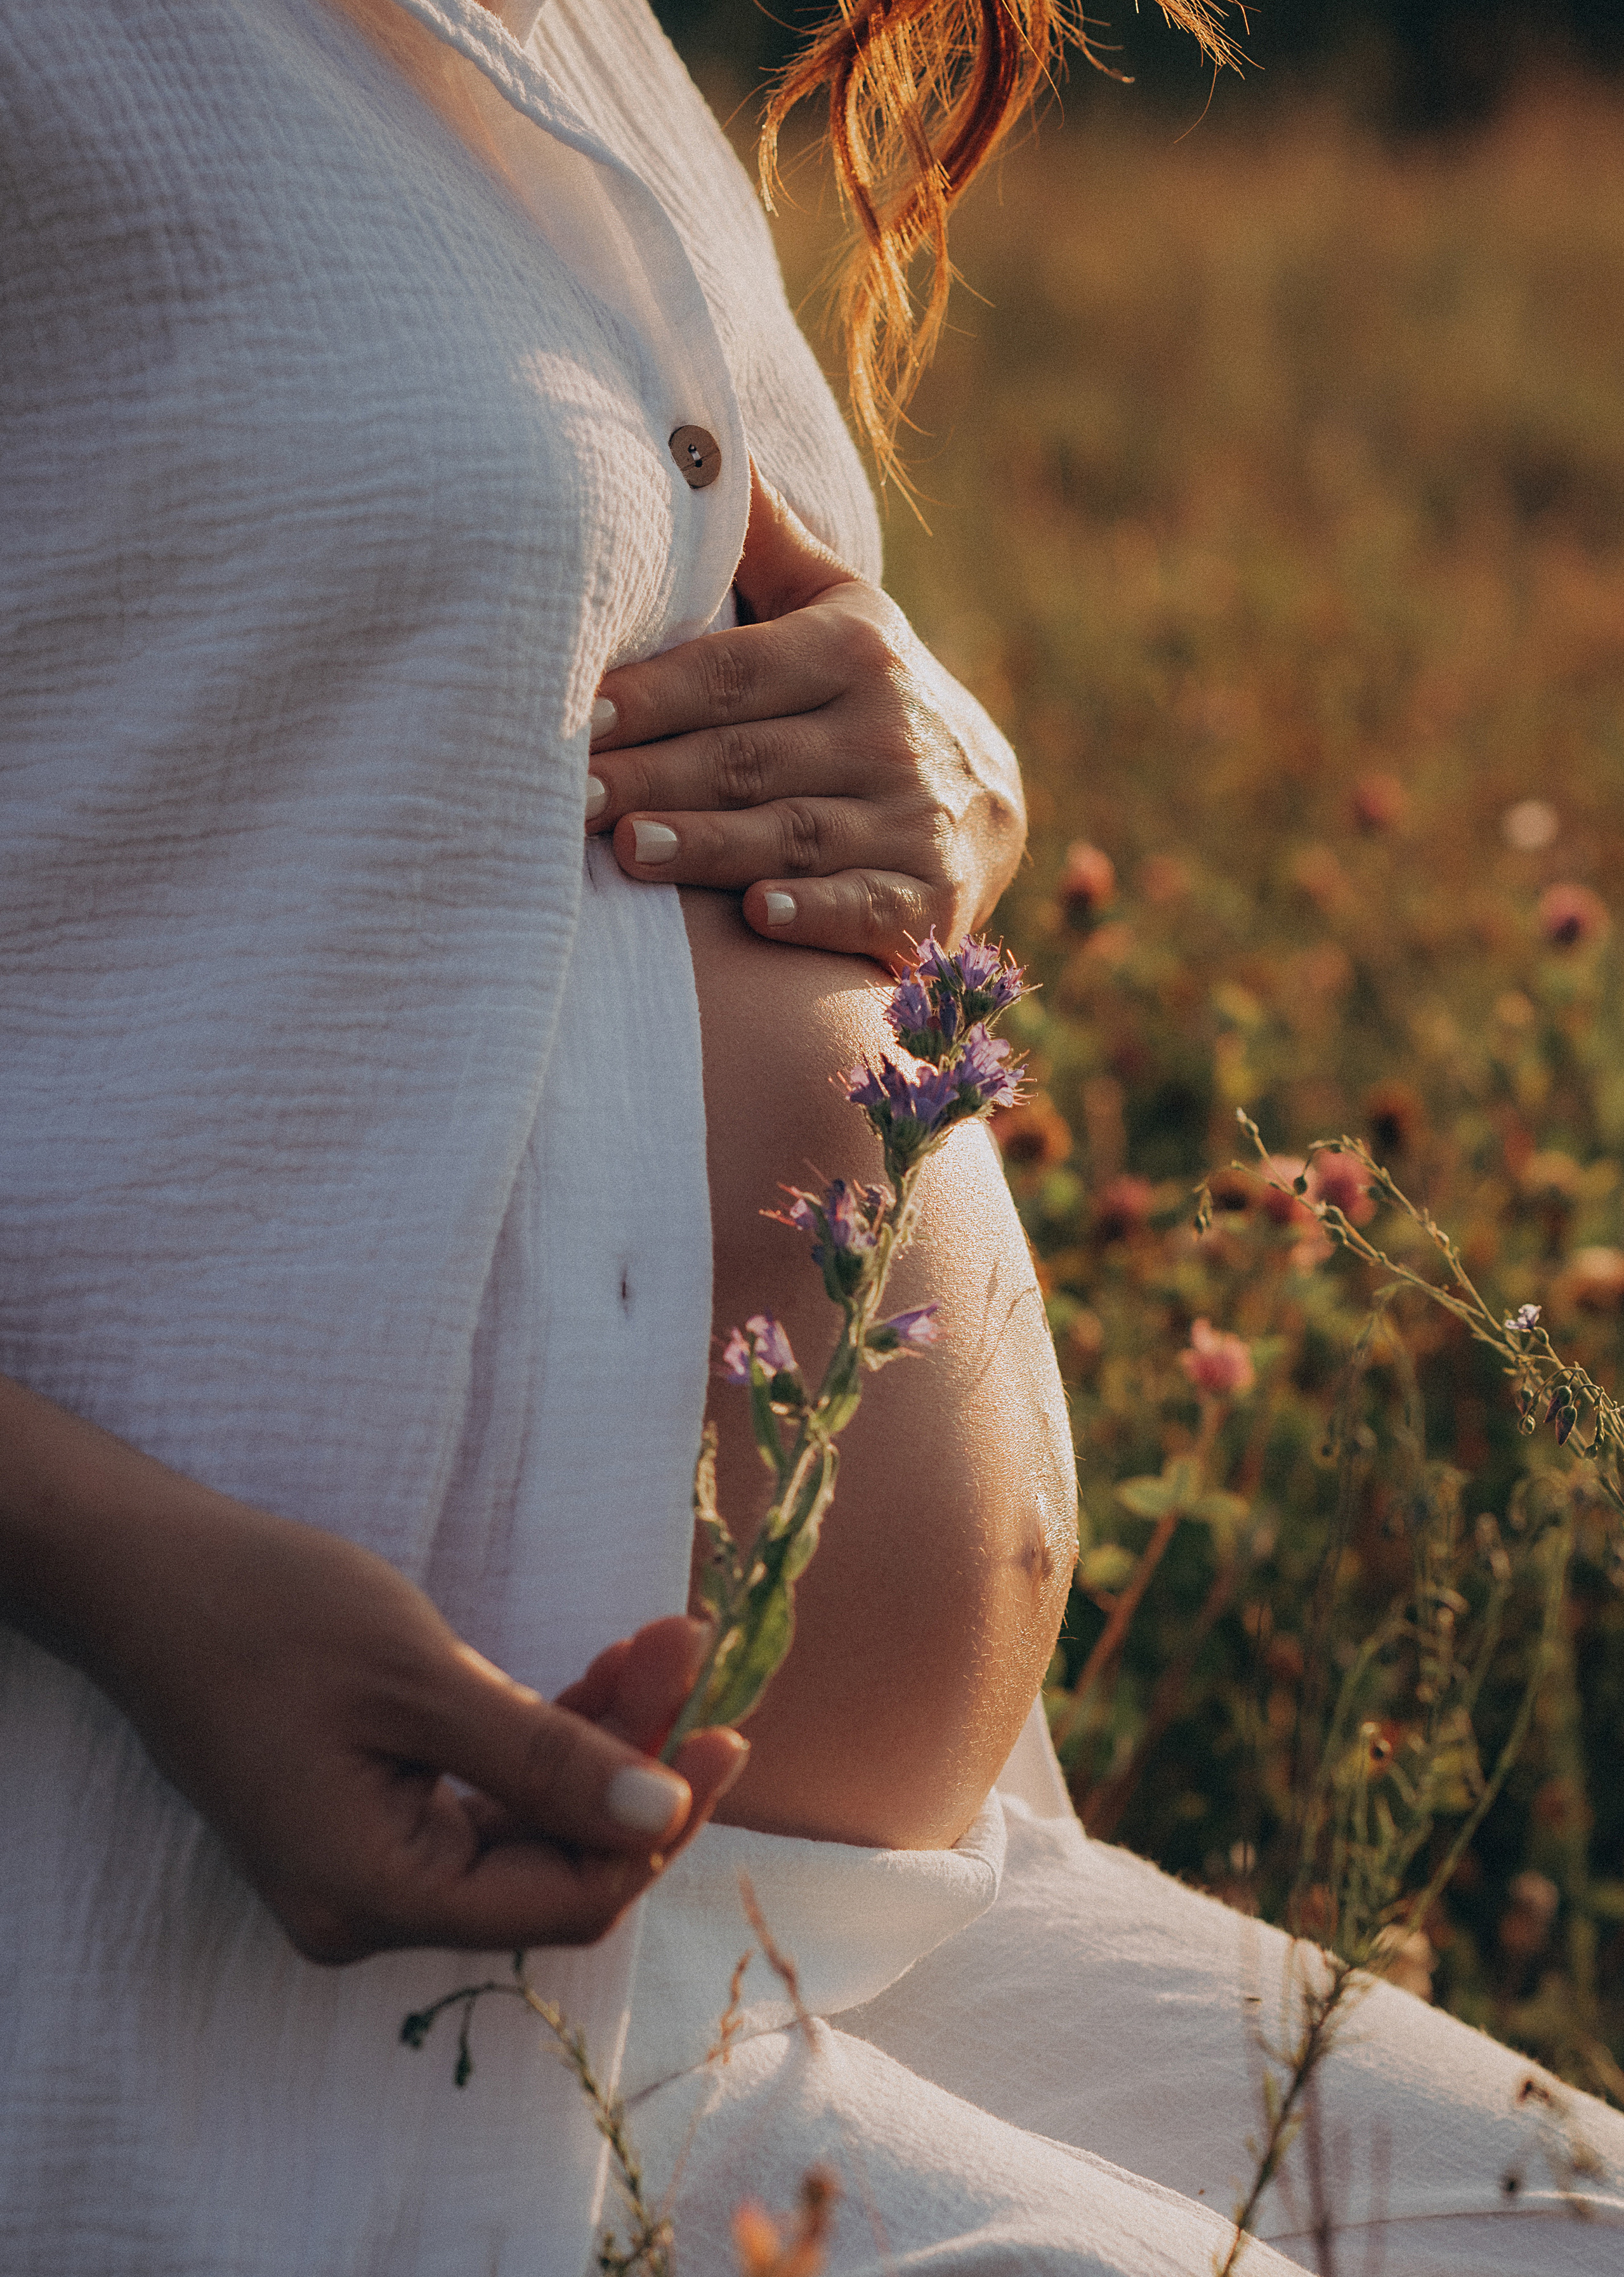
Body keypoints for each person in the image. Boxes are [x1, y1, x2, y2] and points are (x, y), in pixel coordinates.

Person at [1, 4, 1620, 2275]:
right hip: (268, 1931)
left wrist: (954, 778)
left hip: (907, 1903)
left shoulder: (566, 48)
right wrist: (128, 1580)